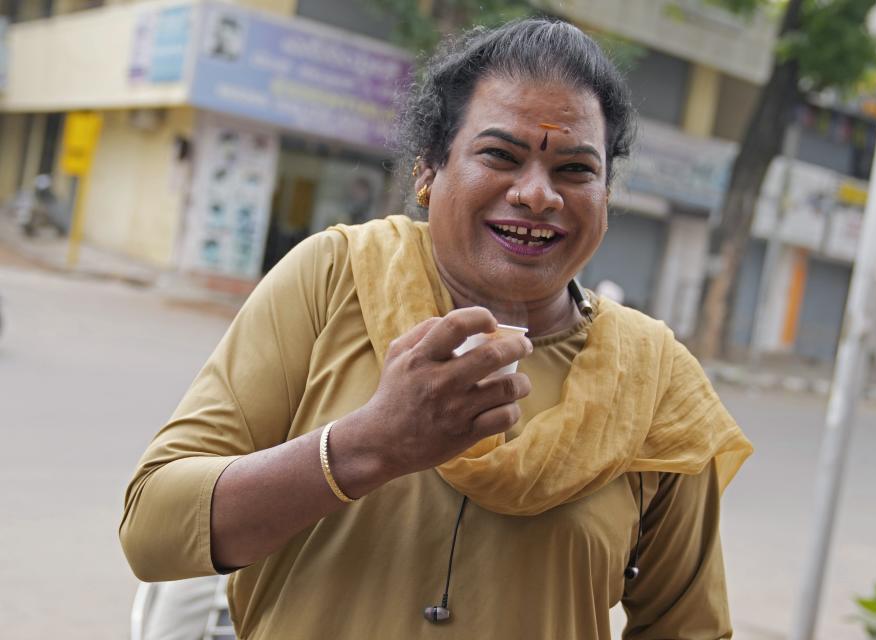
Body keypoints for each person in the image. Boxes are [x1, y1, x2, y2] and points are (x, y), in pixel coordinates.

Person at [120, 18, 753, 639]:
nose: (538, 195)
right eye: (500, 155)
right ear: (427, 171)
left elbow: (690, 628)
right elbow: (154, 530)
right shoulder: (336, 276)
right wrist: (370, 445)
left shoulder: (652, 377)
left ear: (606, 196)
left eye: (575, 169)